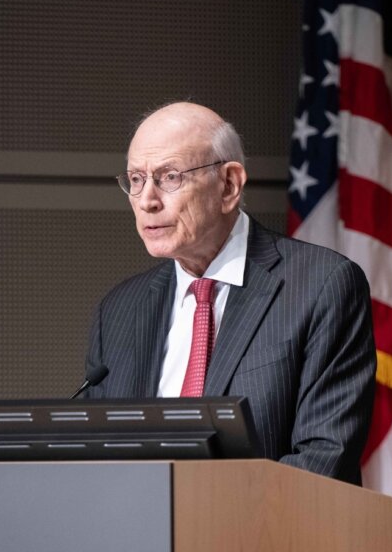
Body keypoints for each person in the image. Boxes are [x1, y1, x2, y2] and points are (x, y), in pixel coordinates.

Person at [82, 101, 375, 484]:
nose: (147, 201)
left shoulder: (321, 287)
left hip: (269, 538)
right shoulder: (119, 311)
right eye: (136, 180)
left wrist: (201, 516)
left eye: (169, 176)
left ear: (229, 185)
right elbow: (96, 456)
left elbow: (323, 459)